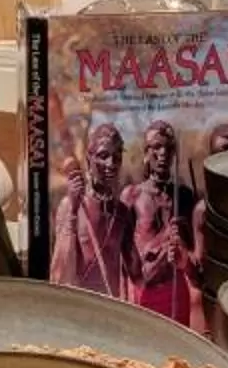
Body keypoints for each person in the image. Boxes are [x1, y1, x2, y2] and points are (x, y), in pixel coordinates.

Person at [123, 120, 196, 329]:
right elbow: (123, 255)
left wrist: (181, 248)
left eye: (168, 148)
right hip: (144, 292)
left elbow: (193, 253)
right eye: (156, 147)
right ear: (146, 154)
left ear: (174, 154)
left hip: (176, 290)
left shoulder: (184, 196)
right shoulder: (132, 196)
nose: (162, 153)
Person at [51, 124, 129, 297]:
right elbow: (59, 269)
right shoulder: (72, 205)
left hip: (111, 306)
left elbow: (130, 271)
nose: (111, 164)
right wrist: (72, 208)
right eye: (103, 156)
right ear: (89, 160)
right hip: (80, 305)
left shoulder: (122, 212)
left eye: (117, 157)